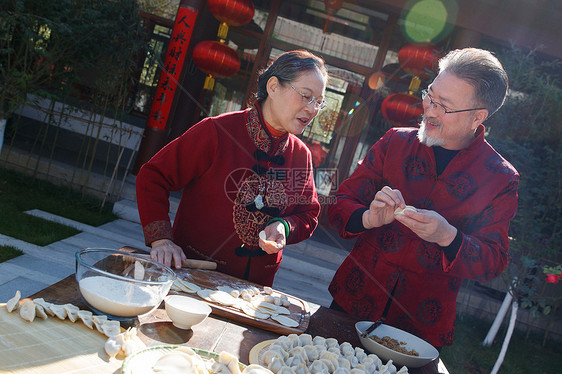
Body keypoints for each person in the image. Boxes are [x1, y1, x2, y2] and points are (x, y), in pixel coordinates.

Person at [327, 48, 519, 348]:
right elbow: (340, 204)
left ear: (477, 117)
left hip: (420, 325)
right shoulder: (395, 142)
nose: (429, 110)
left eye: (444, 106)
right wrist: (368, 217)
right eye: (430, 95)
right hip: (353, 300)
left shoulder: (499, 178)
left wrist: (448, 236)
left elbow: (493, 261)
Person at [136, 50, 327, 286]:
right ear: (274, 87)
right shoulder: (217, 131)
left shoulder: (300, 155)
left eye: (318, 101)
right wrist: (161, 239)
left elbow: (308, 214)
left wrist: (284, 226)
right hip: (193, 274)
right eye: (306, 96)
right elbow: (153, 176)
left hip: (254, 289)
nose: (312, 109)